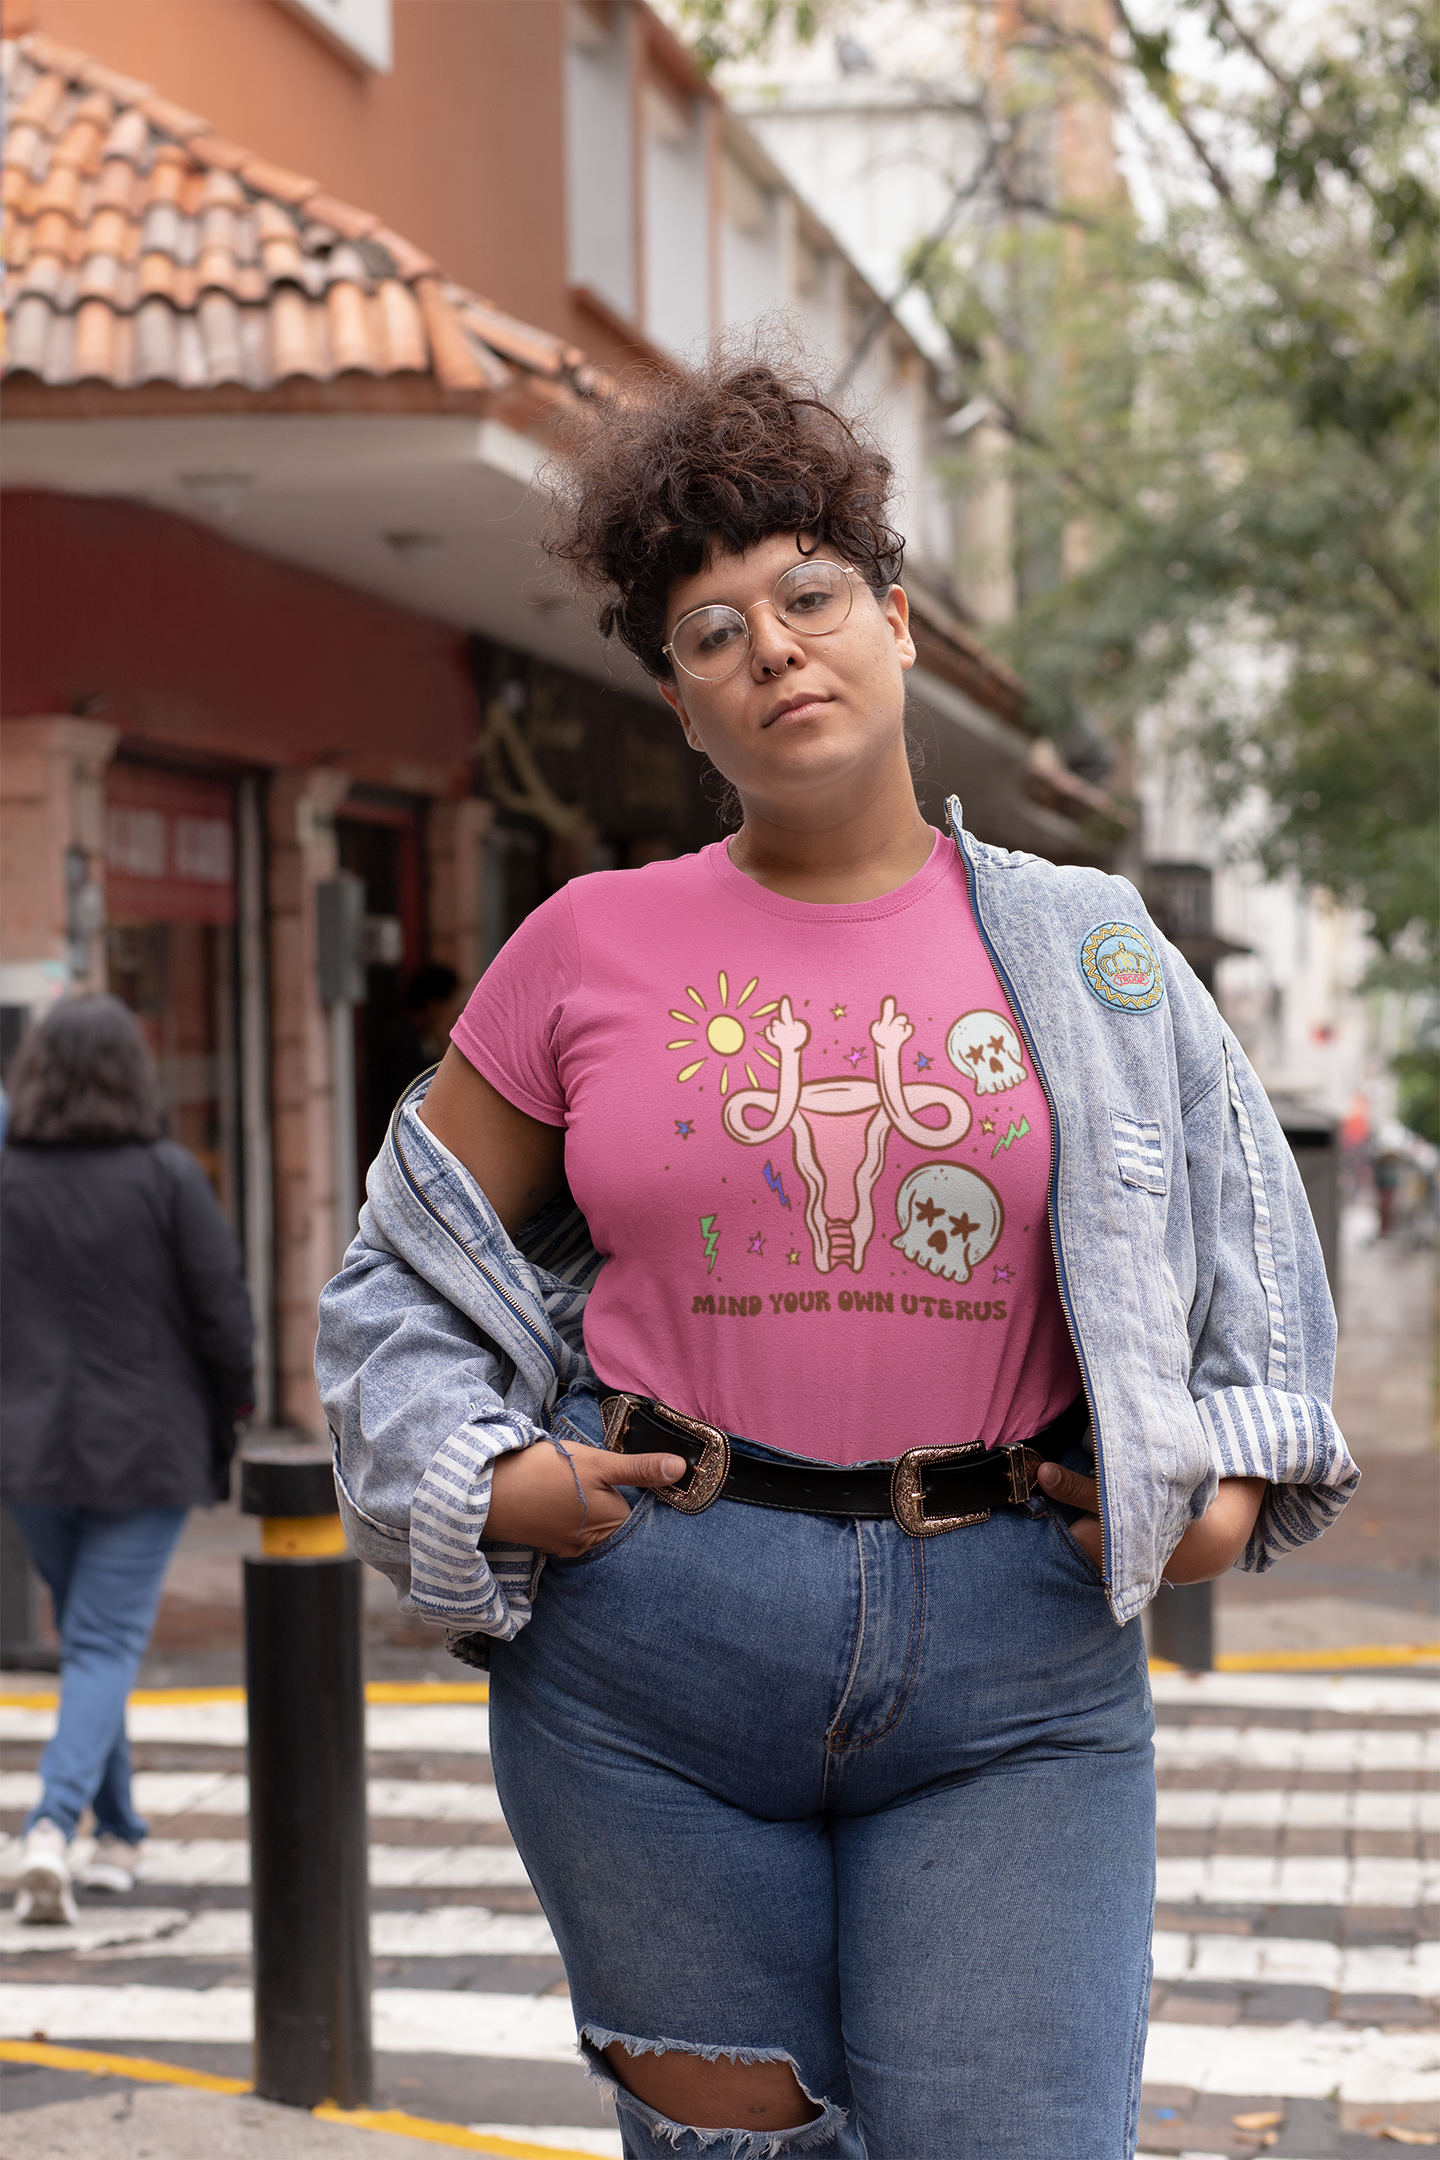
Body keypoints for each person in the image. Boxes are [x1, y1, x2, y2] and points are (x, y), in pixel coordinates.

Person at [318, 359, 1356, 2158]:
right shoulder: (582, 948)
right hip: (648, 1672)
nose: (773, 650)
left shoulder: (1094, 951)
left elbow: (1254, 1249)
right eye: (713, 631)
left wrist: (1221, 1487)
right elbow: (398, 1276)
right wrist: (490, 1481)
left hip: (1018, 1670)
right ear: (680, 700)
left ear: (891, 620)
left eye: (807, 596)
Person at [0, 995, 253, 1924]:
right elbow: (222, 1313)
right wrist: (237, 1411)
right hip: (148, 1447)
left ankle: (120, 1832)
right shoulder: (167, 1175)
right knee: (104, 1642)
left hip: (27, 1448)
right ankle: (51, 1825)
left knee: (86, 1636)